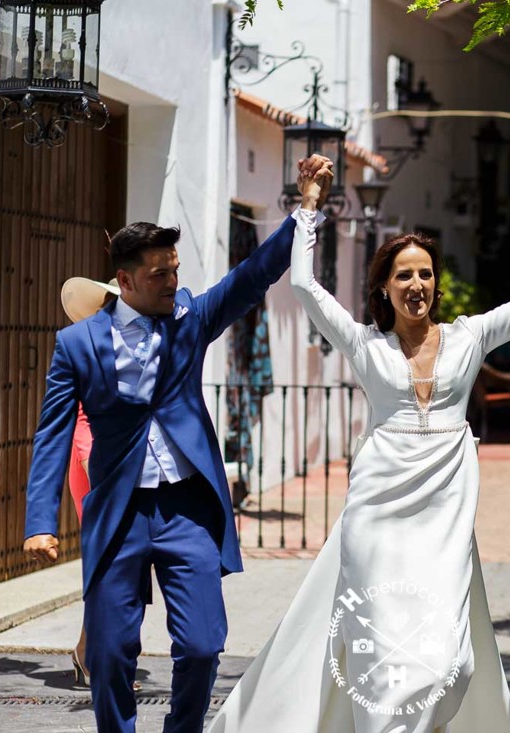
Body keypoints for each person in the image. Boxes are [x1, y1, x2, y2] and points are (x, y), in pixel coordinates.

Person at [209, 170, 510, 732]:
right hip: (375, 516)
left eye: (426, 274)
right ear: (384, 288)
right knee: (376, 649)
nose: (417, 284)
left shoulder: (472, 336)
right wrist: (309, 207)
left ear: (437, 284)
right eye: (404, 275)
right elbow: (303, 287)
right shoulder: (364, 342)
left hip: (444, 518)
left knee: (449, 660)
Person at [22, 154, 334, 733]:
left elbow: (251, 276)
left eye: (175, 268)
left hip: (187, 507)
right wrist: (41, 519)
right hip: (118, 512)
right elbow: (52, 433)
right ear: (125, 281)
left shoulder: (189, 318)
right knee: (111, 652)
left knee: (202, 645)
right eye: (160, 274)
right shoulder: (76, 345)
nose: (173, 281)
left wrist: (306, 208)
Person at [57, 275, 143, 690]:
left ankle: (89, 651)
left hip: (115, 460)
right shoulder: (87, 350)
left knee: (115, 563)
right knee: (108, 561)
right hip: (91, 455)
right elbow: (82, 421)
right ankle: (100, 658)